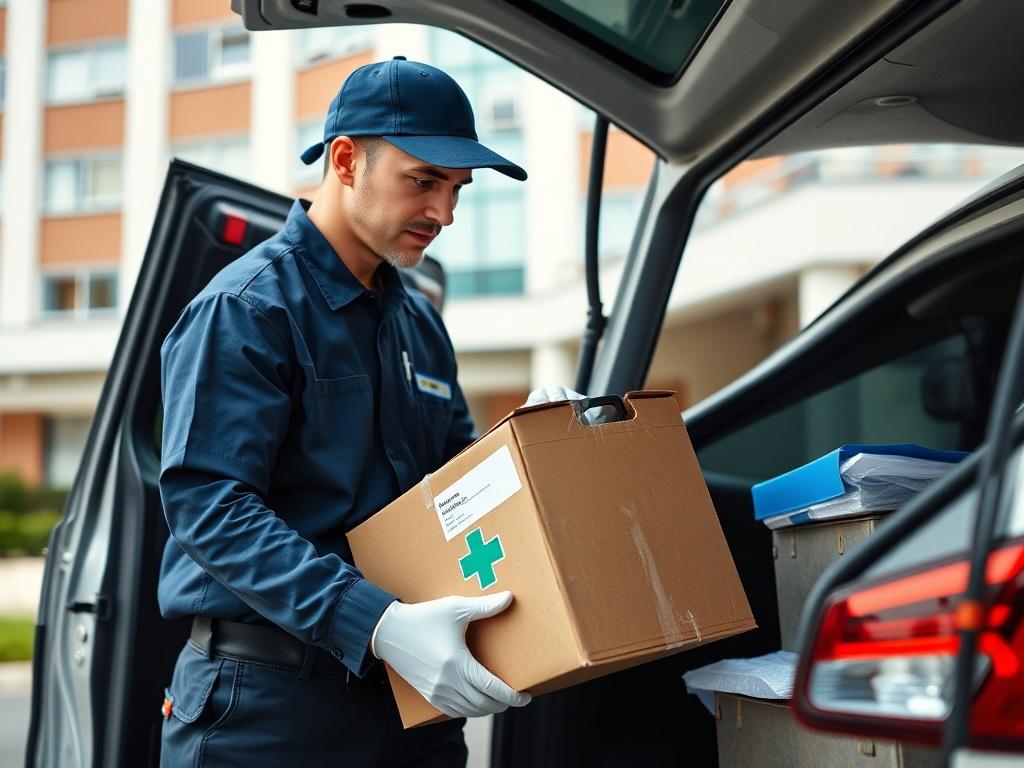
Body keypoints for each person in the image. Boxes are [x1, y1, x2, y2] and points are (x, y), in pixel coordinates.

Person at [157, 56, 532, 767]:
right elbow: (209, 504)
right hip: (265, 708)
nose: (444, 214)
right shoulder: (247, 310)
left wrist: (535, 451)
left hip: (412, 703)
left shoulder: (419, 324)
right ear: (346, 160)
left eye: (457, 190)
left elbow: (452, 485)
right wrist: (377, 623)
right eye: (423, 181)